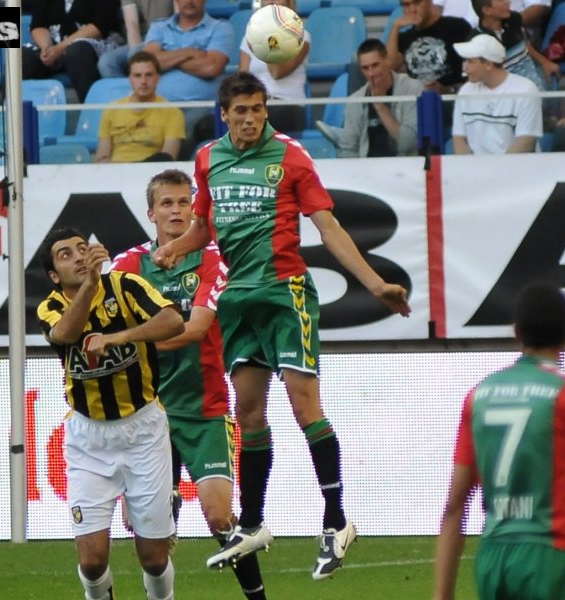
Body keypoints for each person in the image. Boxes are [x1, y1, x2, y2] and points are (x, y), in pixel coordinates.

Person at [152, 72, 411, 581]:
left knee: (303, 404)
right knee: (248, 412)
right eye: (241, 110)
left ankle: (335, 521)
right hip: (236, 303)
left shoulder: (290, 155)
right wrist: (175, 248)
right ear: (223, 114)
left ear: (265, 109)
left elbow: (328, 226)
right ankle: (252, 522)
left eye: (257, 108)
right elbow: (204, 226)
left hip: (284, 294)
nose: (250, 118)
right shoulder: (207, 159)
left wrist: (375, 283)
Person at [111, 169, 268, 600]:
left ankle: (258, 597)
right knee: (139, 529)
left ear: (196, 210)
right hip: (146, 414)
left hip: (204, 409)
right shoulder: (128, 266)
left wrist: (132, 339)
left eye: (184, 202)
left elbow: (197, 327)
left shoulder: (212, 258)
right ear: (151, 213)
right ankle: (166, 512)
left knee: (221, 518)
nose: (176, 211)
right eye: (167, 203)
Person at [433, 283, 565, 600]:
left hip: (494, 558)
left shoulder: (479, 396)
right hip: (552, 557)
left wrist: (441, 596)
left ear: (517, 332)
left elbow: (455, 506)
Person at [37, 228, 184, 600]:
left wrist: (117, 338)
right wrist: (89, 285)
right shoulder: (50, 306)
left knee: (153, 557)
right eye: (66, 254)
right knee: (92, 560)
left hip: (144, 431)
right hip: (89, 439)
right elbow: (67, 334)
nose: (79, 256)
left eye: (82, 249)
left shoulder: (127, 286)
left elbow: (173, 322)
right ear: (55, 275)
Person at [142, 0, 233, 154]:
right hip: (158, 104)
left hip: (200, 106)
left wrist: (167, 57)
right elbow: (148, 63)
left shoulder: (220, 28)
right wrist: (190, 53)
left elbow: (211, 67)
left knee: (179, 131)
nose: (189, 1)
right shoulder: (159, 27)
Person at [318, 38, 423, 158]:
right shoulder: (355, 101)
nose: (371, 73)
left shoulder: (412, 89)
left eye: (375, 65)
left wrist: (380, 106)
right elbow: (349, 149)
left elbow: (408, 143)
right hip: (367, 168)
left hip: (404, 167)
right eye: (365, 68)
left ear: (387, 61)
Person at [451, 34, 542, 154]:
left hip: (517, 169)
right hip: (477, 169)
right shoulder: (466, 91)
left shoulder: (526, 90)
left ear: (488, 64)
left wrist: (497, 170)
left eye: (470, 61)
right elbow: (459, 139)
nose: (465, 66)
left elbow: (526, 142)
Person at [95, 51, 186, 163]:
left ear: (158, 78)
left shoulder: (173, 113)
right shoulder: (112, 110)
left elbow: (168, 158)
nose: (143, 81)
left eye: (149, 75)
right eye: (137, 76)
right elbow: (101, 157)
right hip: (116, 172)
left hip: (151, 173)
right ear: (130, 79)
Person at [23, 0, 122, 102]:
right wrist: (46, 48)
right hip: (54, 43)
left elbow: (100, 26)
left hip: (95, 42)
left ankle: (91, 111)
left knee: (77, 52)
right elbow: (38, 25)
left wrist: (60, 48)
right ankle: (19, 113)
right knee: (23, 57)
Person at [238, 0, 310, 135]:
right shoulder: (248, 37)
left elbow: (277, 72)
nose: (271, 1)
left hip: (287, 104)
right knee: (208, 124)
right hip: (255, 105)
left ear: (289, 3)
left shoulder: (301, 36)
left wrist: (270, 35)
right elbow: (242, 79)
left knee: (264, 119)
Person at [386, 0, 473, 94]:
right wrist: (395, 27)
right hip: (419, 102)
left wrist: (448, 89)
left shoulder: (457, 26)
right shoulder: (404, 38)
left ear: (430, 2)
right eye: (406, 5)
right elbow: (389, 66)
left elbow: (477, 66)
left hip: (454, 99)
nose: (412, 10)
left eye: (417, 3)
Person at [472, 0, 559, 91]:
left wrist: (544, 62)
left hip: (534, 84)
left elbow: (524, 44)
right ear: (487, 10)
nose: (508, 1)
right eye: (500, 1)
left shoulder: (514, 20)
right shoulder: (476, 41)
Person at [98, 0, 176, 79]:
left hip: (169, 35)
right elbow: (132, 24)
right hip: (144, 39)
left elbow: (180, 15)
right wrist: (135, 53)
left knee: (135, 53)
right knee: (107, 62)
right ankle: (129, 90)